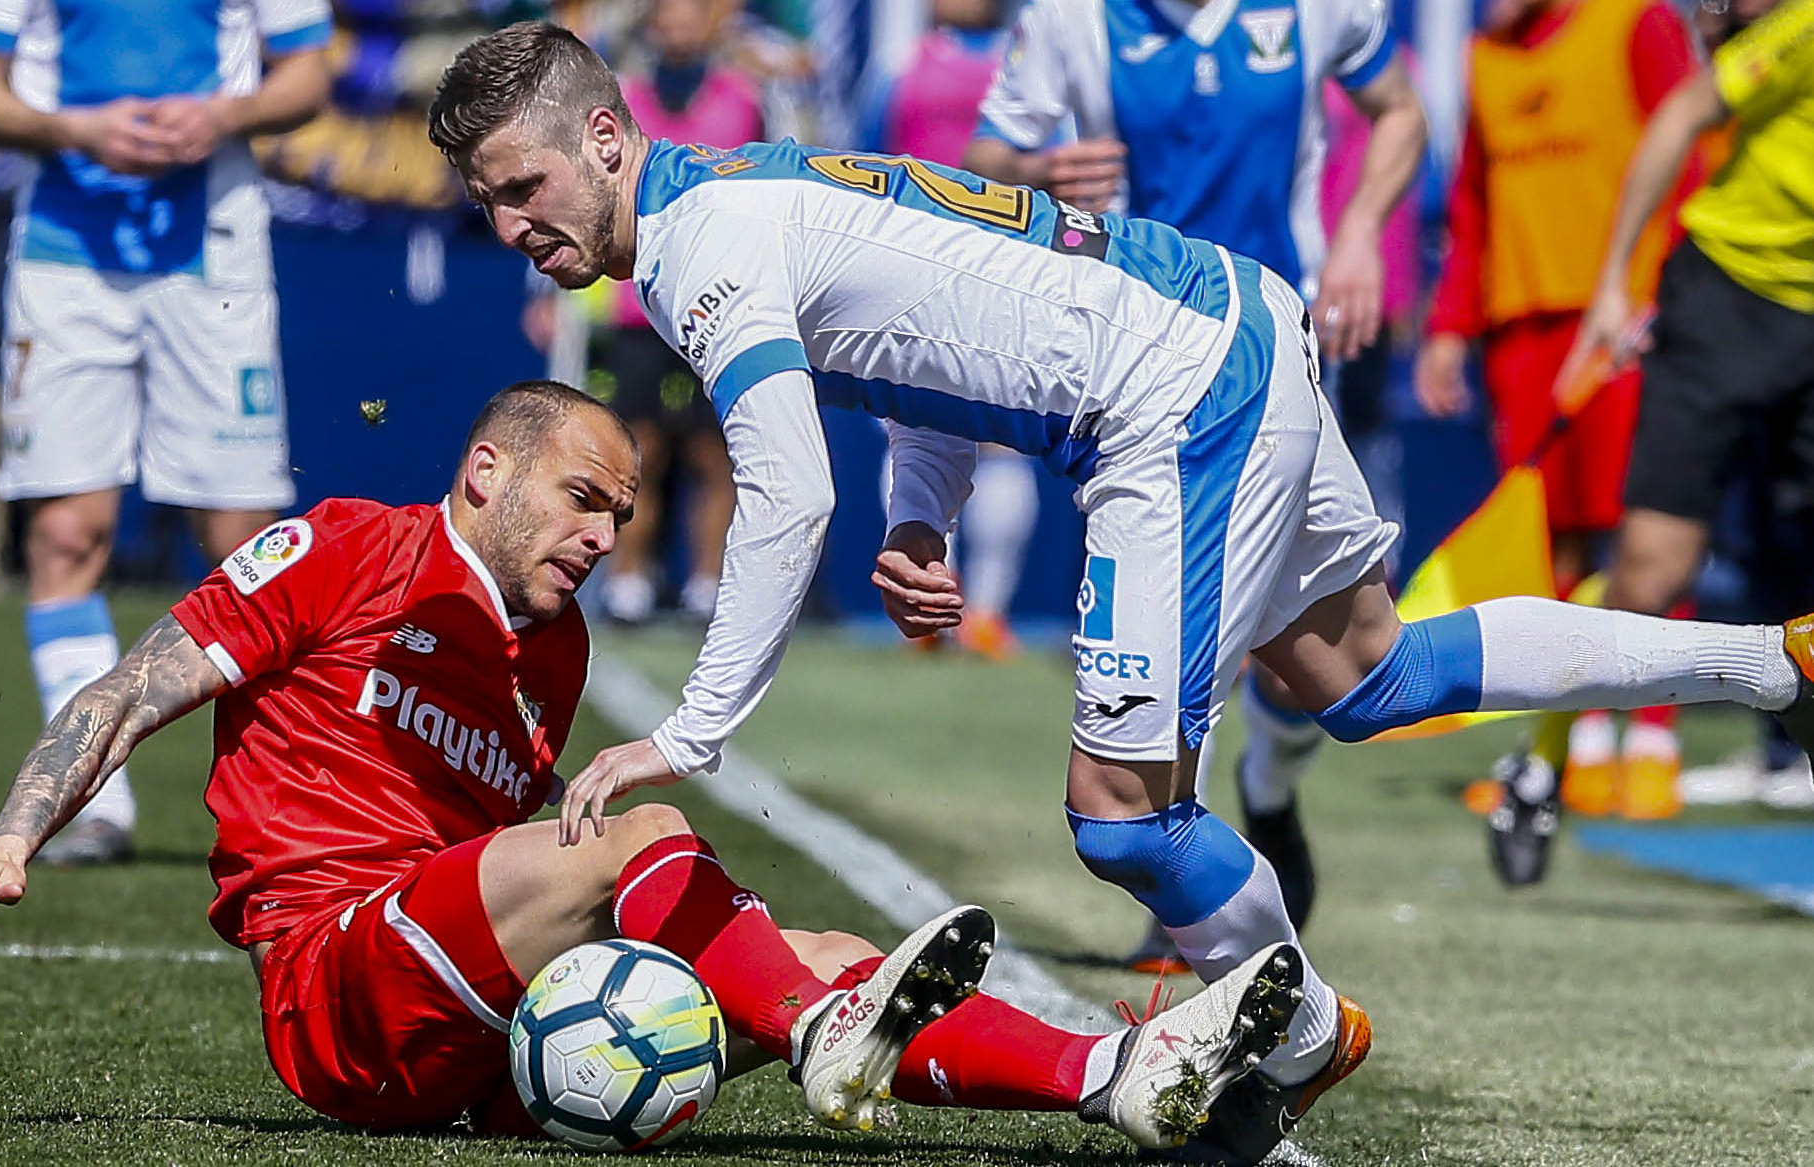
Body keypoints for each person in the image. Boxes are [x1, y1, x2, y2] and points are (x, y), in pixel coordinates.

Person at [426, 21, 1814, 1162]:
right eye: (486, 201)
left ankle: (1290, 1045)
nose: (504, 224)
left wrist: (688, 734)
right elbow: (921, 338)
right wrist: (924, 510)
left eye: (518, 186)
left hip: (1174, 397)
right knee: (1363, 675)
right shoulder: (731, 199)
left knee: (1121, 816)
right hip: (1223, 318)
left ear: (603, 139)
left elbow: (790, 495)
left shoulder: (698, 245)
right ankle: (1777, 660)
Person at [0, 380, 1305, 1143]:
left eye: (619, 513)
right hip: (334, 980)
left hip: (461, 1004)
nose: (603, 534)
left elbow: (517, 881)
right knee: (628, 830)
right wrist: (15, 834)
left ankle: (1109, 1073)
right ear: (486, 469)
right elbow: (129, 687)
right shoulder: (349, 544)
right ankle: (816, 1035)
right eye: (580, 498)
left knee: (832, 942)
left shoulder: (549, 652)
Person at [960, 0, 1429, 968]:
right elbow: (982, 164)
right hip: (1134, 366)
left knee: (1312, 660)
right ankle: (1187, 884)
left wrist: (1357, 237)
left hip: (1278, 348)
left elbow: (1400, 110)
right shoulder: (1069, 21)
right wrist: (1040, 173)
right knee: (1182, 632)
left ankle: (1268, 786)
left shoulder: (1314, 8)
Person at [0, 0, 335, 865]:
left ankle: (297, 798)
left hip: (217, 243)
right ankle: (92, 800)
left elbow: (309, 69)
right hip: (62, 247)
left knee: (246, 545)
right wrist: (73, 128)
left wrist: (223, 113)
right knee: (65, 530)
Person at [1414, 0, 1706, 830]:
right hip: (1523, 337)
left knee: (1647, 526)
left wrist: (1665, 293)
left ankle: (1652, 742)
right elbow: (1473, 207)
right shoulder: (1483, 59)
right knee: (1555, 544)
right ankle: (1567, 750)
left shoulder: (1633, 24)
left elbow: (1688, 165)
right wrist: (1448, 328)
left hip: (1627, 324)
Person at [1558, 0, 1814, 831]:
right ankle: (1553, 748)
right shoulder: (1805, 25)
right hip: (1726, 300)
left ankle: (1785, 753)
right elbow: (1679, 114)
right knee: (1653, 572)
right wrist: (1611, 288)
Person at [859, 0, 1040, 661]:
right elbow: (859, 157)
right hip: (911, 266)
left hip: (1008, 262)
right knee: (911, 424)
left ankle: (985, 611)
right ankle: (929, 600)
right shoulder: (897, 59)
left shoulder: (1035, 50)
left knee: (1003, 439)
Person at [595, 0, 762, 625]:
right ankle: (629, 582)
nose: (681, 27)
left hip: (718, 305)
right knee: (638, 450)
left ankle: (708, 585)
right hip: (638, 307)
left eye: (694, 14)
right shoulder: (622, 98)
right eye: (670, 15)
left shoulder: (745, 99)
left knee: (716, 453)